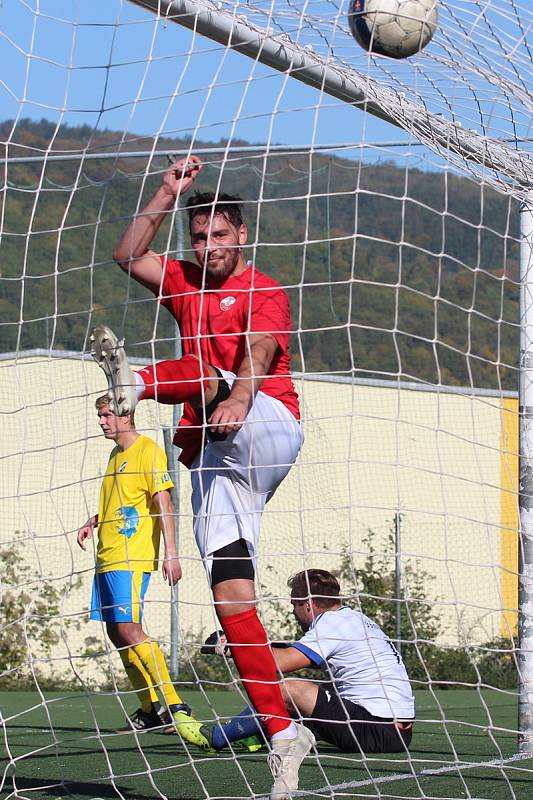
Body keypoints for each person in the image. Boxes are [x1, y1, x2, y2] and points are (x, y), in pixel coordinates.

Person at [89, 155, 312, 800]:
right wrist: (165, 191)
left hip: (266, 420)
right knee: (232, 598)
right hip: (214, 447)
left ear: (241, 235)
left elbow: (261, 352)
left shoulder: (263, 288)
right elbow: (128, 254)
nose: (209, 246)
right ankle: (281, 737)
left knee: (203, 376)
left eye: (221, 235)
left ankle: (137, 382)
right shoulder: (183, 281)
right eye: (200, 236)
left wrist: (242, 394)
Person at [77, 394, 205, 745]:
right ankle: (148, 711)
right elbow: (122, 503)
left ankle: (176, 703)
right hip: (107, 556)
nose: (101, 421)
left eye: (106, 415)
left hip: (131, 559)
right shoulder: (115, 455)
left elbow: (163, 502)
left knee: (131, 630)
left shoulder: (148, 450)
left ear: (126, 415)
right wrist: (95, 520)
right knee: (118, 635)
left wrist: (172, 554)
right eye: (99, 415)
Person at [200, 569, 415, 755]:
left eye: (295, 604)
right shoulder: (356, 619)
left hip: (375, 728)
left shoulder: (330, 624)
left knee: (285, 689)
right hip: (398, 733)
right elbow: (290, 651)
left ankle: (218, 737)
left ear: (309, 604)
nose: (293, 611)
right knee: (319, 693)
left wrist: (233, 646)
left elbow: (278, 663)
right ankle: (255, 736)